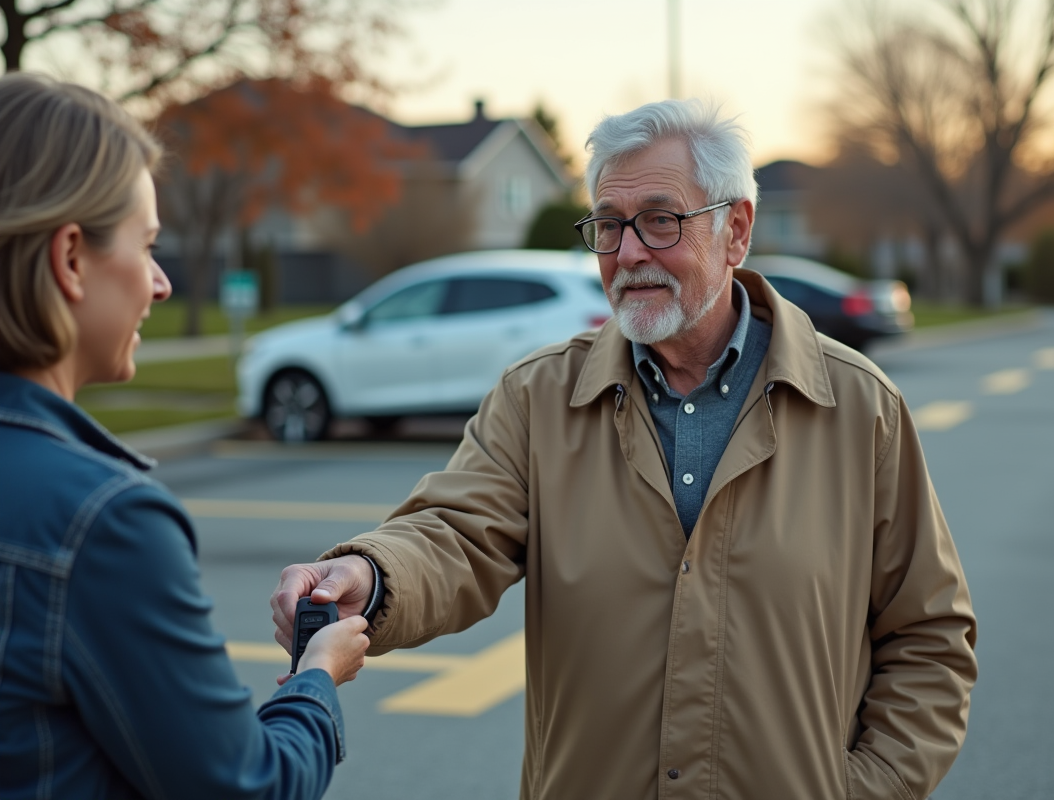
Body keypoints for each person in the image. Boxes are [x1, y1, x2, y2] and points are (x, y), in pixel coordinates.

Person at [271, 99, 978, 799]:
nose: (629, 252)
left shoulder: (858, 406)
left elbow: (930, 640)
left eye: (661, 222)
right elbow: (455, 535)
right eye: (609, 226)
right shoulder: (539, 397)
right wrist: (370, 574)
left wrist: (865, 790)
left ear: (736, 230)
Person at [0, 73, 371, 800]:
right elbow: (247, 787)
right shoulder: (100, 524)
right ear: (70, 259)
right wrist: (318, 678)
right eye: (146, 246)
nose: (162, 283)